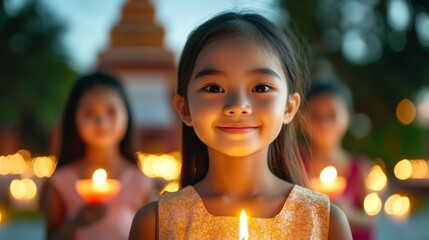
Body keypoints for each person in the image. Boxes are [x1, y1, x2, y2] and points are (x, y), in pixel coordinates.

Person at [129, 11, 352, 239]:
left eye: (261, 88)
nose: (238, 106)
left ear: (289, 107)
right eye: (214, 88)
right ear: (185, 108)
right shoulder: (157, 223)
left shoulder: (325, 222)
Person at [40, 72, 156, 240]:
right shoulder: (61, 182)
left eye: (111, 112)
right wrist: (76, 223)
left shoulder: (140, 182)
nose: (101, 121)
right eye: (89, 113)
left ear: (127, 115)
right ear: (74, 118)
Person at [301, 78, 374, 240]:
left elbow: (375, 218)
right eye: (315, 115)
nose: (323, 123)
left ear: (348, 117)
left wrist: (346, 214)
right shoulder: (294, 162)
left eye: (332, 115)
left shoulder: (360, 168)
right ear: (303, 119)